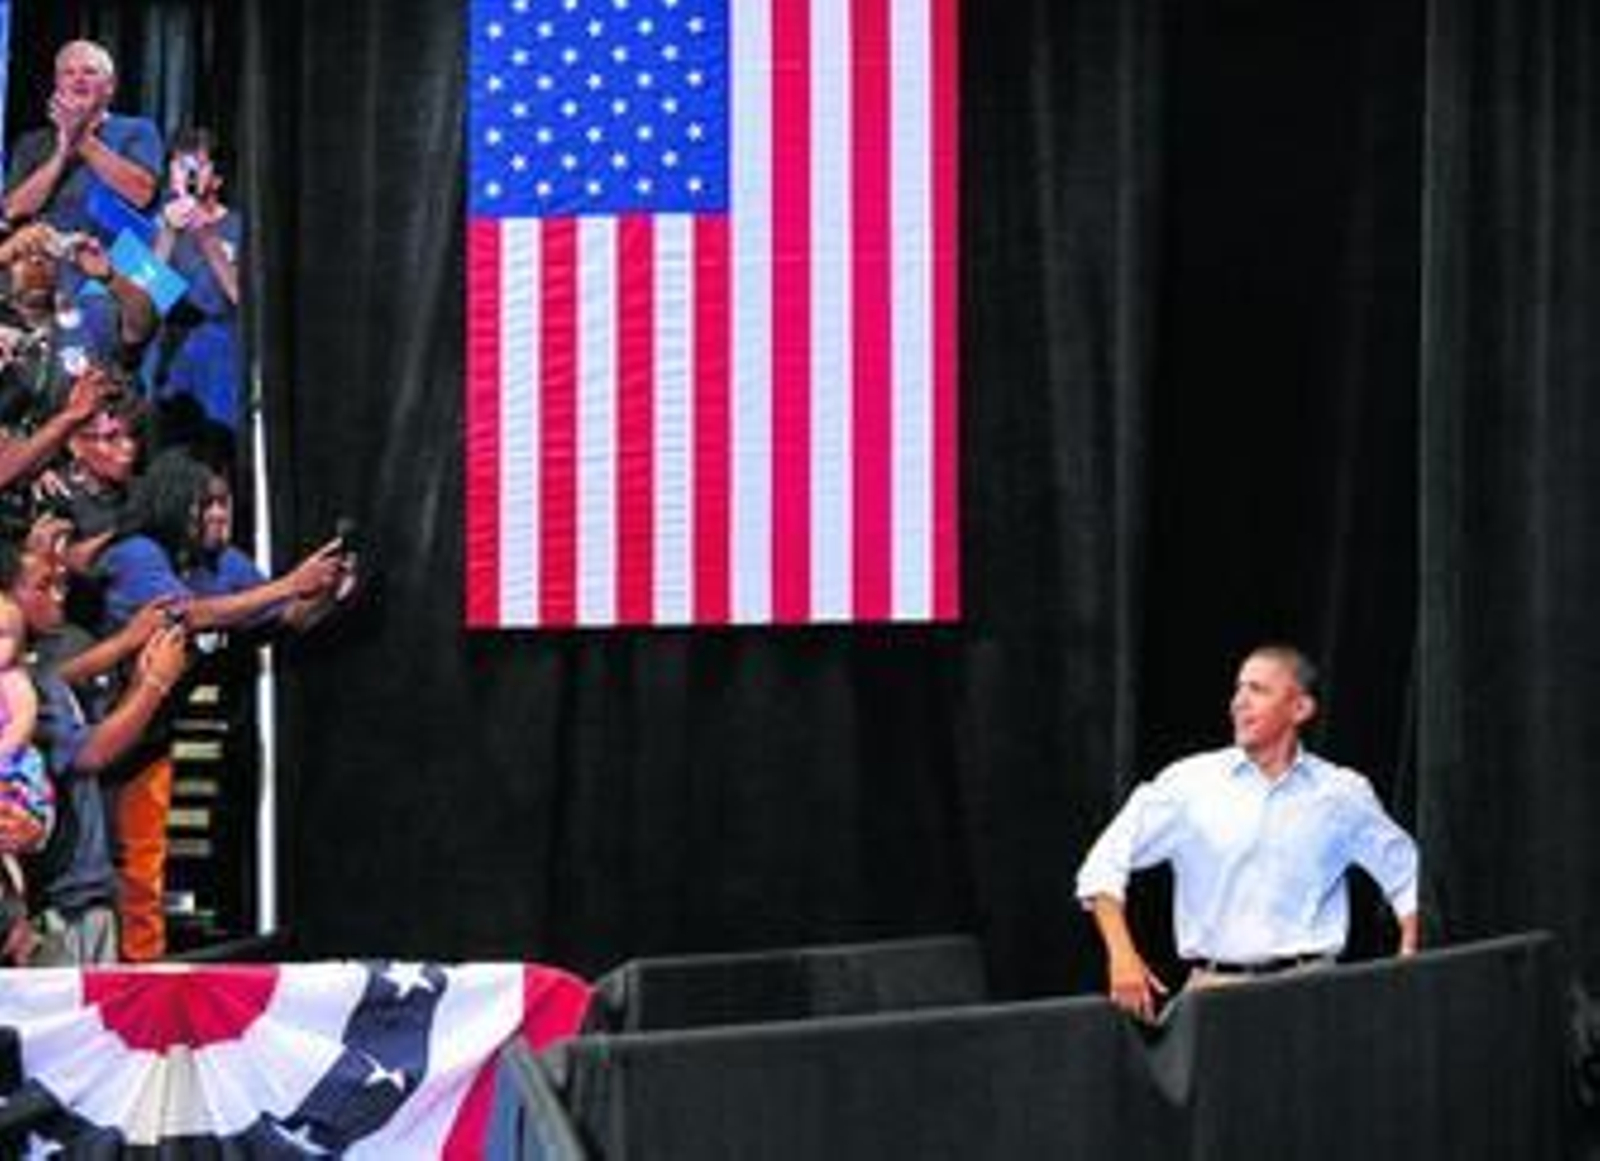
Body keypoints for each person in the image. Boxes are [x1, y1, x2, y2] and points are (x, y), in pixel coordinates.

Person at [94, 448, 351, 960]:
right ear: (173, 504)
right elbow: (188, 616)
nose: (218, 514)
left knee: (145, 873)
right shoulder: (138, 552)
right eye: (204, 505)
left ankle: (145, 986)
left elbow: (286, 617)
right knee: (94, 875)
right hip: (95, 733)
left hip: (149, 738)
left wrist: (329, 591)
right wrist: (289, 584)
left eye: (223, 503)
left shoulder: (225, 562)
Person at [1075, 644, 1420, 1021]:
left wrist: (1405, 971)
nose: (1238, 702)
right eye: (1238, 690)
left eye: (1257, 690)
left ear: (1300, 709)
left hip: (1312, 991)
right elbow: (1102, 866)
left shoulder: (1341, 792)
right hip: (1213, 992)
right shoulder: (1190, 784)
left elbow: (1406, 876)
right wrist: (1122, 956)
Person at [2, 536, 188, 964]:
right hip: (58, 902)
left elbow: (64, 676)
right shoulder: (15, 691)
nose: (58, 595)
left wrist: (129, 651)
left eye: (60, 583)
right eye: (42, 586)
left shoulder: (40, 673)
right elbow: (90, 753)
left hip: (88, 891)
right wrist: (154, 684)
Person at [4, 39, 162, 237]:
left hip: (112, 261)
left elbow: (142, 194)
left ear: (110, 86)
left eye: (89, 72)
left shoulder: (138, 130)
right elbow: (13, 210)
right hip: (46, 260)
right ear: (57, 84)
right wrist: (60, 155)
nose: (79, 79)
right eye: (68, 73)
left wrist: (81, 140)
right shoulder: (31, 142)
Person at [144, 127, 242, 447]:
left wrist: (208, 238)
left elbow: (242, 297)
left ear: (217, 179)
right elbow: (145, 301)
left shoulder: (242, 226)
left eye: (198, 165)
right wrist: (168, 235)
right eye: (179, 164)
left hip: (221, 362)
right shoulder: (154, 225)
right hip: (168, 358)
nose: (188, 172)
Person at [0, 591, 53, 965]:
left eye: (3, 635)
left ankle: (17, 928)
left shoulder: (14, 681)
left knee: (7, 850)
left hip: (11, 769)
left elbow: (21, 725)